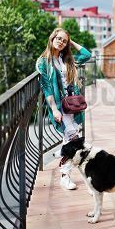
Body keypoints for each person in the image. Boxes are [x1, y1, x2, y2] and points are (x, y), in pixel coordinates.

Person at [36, 28, 91, 190]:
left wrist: (71, 42)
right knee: (73, 139)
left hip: (73, 105)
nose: (61, 42)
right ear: (52, 38)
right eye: (59, 38)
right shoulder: (43, 62)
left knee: (71, 140)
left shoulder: (65, 58)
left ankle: (67, 171)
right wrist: (54, 109)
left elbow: (86, 55)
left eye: (64, 40)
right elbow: (46, 88)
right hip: (61, 107)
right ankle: (65, 176)